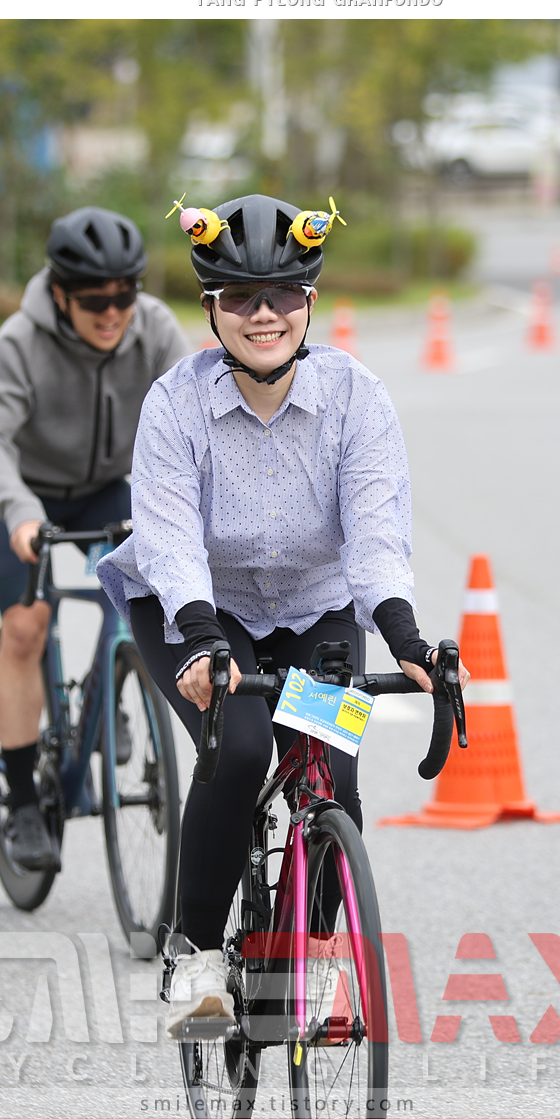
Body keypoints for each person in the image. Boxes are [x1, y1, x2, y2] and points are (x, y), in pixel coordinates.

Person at [95, 193, 467, 1034]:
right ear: (210, 308)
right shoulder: (174, 405)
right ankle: (196, 956)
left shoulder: (356, 398)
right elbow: (170, 541)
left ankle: (315, 960)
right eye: (240, 297)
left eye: (282, 296)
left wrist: (405, 638)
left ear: (309, 301)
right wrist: (201, 641)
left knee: (329, 766)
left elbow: (375, 535)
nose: (263, 314)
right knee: (239, 749)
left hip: (314, 605)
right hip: (194, 608)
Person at [0, 207, 189, 872]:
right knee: (27, 626)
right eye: (94, 300)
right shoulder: (20, 341)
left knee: (145, 607)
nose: (112, 311)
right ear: (60, 294)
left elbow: (194, 421)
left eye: (125, 294)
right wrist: (19, 513)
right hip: (23, 493)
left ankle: (111, 692)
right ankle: (22, 800)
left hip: (106, 487)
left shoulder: (155, 329)